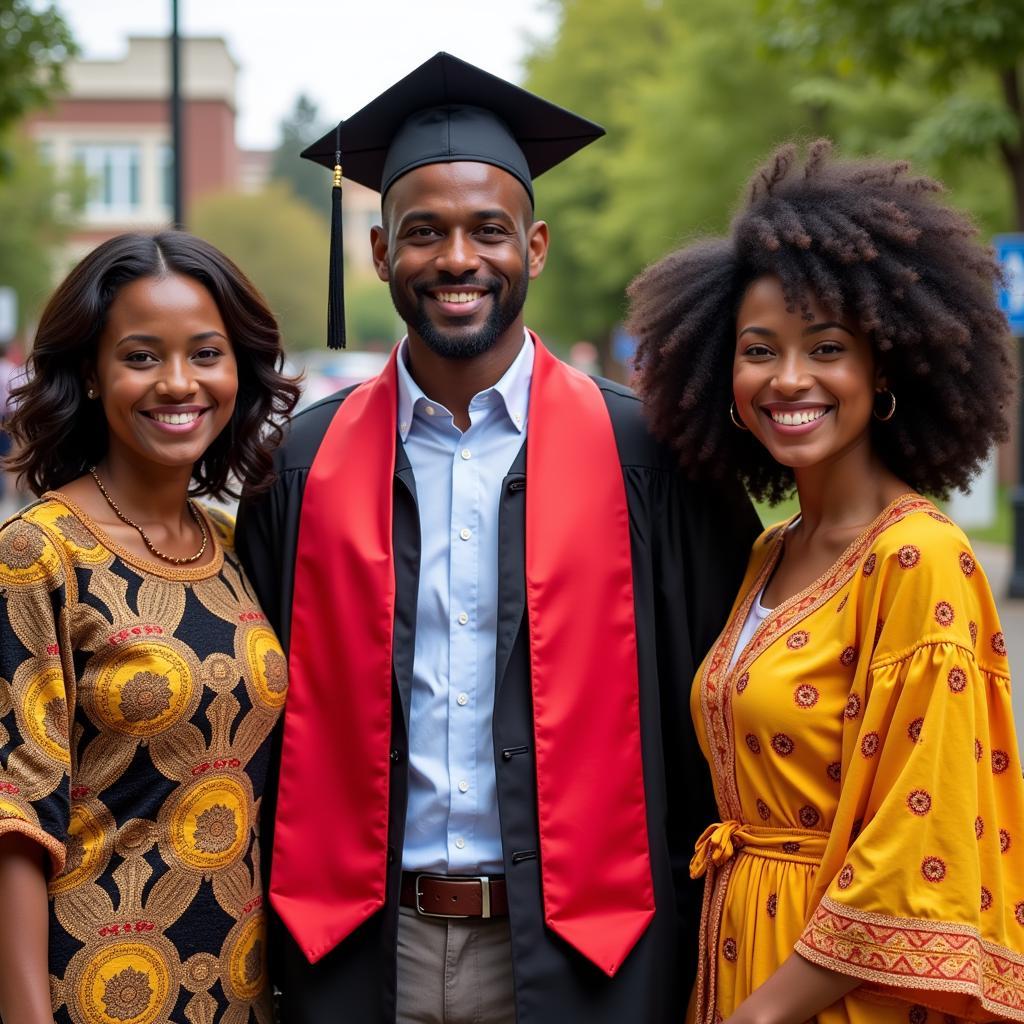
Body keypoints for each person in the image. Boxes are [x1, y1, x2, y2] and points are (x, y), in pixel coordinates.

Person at [235, 52, 760, 1024]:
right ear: (381, 251)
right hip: (356, 950)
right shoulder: (298, 464)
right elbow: (253, 720)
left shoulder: (649, 451)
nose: (458, 260)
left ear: (538, 245)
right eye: (423, 233)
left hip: (590, 955)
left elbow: (710, 707)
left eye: (489, 230)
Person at [627, 139, 1024, 1024]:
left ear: (885, 367)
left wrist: (763, 1015)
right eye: (759, 350)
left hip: (833, 993)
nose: (791, 379)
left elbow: (917, 839)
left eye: (828, 348)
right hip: (737, 954)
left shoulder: (918, 560)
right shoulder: (773, 549)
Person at [0, 231, 300, 1024]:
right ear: (93, 377)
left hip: (236, 994)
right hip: (89, 992)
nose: (178, 383)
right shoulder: (38, 553)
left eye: (206, 353)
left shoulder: (232, 546)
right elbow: (13, 822)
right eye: (140, 356)